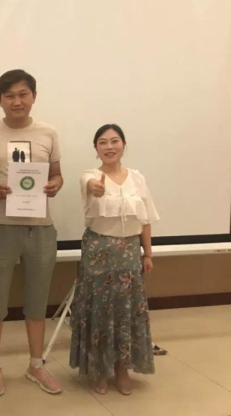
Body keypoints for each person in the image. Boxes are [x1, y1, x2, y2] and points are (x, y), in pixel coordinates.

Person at [0, 69, 64, 396]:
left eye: (23, 94)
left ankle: (36, 365)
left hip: (40, 227)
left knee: (37, 300)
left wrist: (54, 185)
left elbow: (57, 175)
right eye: (9, 95)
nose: (17, 101)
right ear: (0, 99)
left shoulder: (48, 133)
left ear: (33, 97)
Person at [69, 124, 159, 395]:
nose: (109, 146)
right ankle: (99, 370)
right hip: (98, 250)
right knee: (99, 310)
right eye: (103, 142)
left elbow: (144, 220)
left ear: (124, 145)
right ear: (96, 148)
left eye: (114, 141)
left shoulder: (137, 178)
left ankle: (122, 369)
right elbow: (91, 187)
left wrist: (148, 253)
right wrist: (96, 188)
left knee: (126, 311)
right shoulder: (89, 176)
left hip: (130, 252)